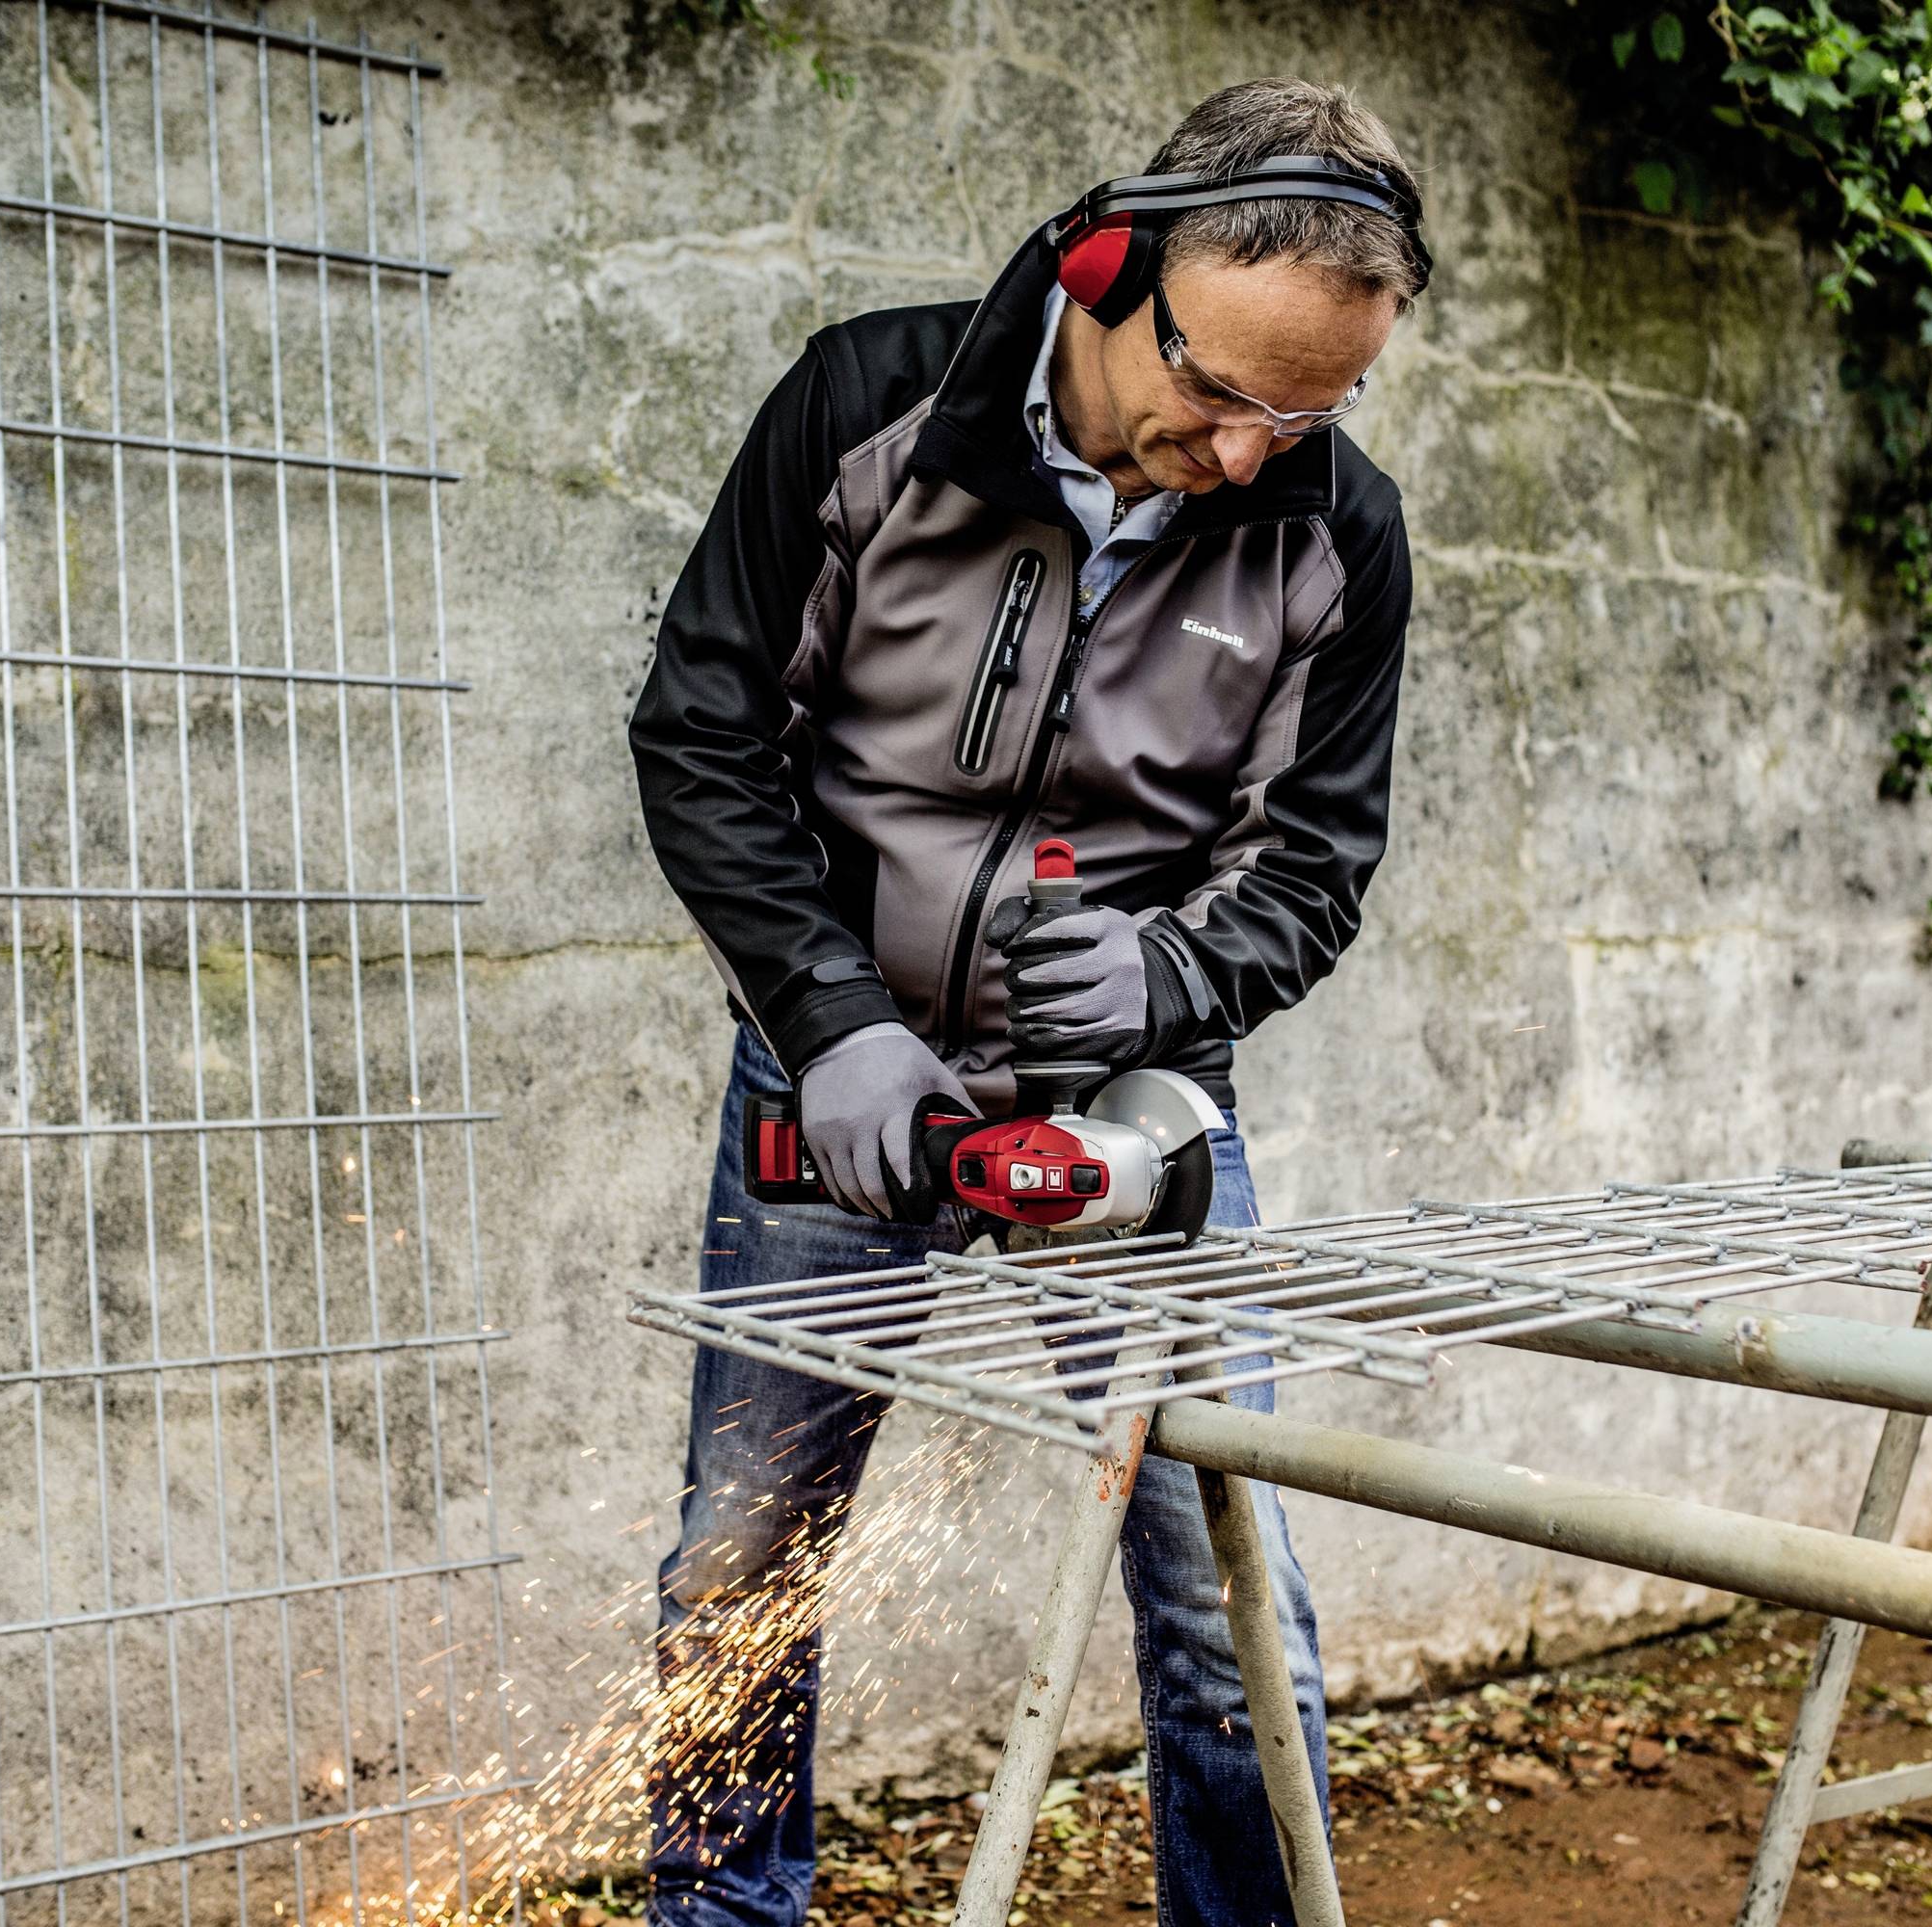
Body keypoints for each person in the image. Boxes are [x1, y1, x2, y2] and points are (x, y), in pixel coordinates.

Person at [626, 75, 1428, 1927]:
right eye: (1218, 390)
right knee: (742, 1565)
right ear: (1106, 261)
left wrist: (1164, 976)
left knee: (1233, 1604)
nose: (1246, 451)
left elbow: (1314, 870)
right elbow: (701, 733)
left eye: (1311, 406)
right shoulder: (864, 411)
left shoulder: (1337, 533)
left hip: (1131, 1109)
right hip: (846, 1075)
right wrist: (832, 1016)